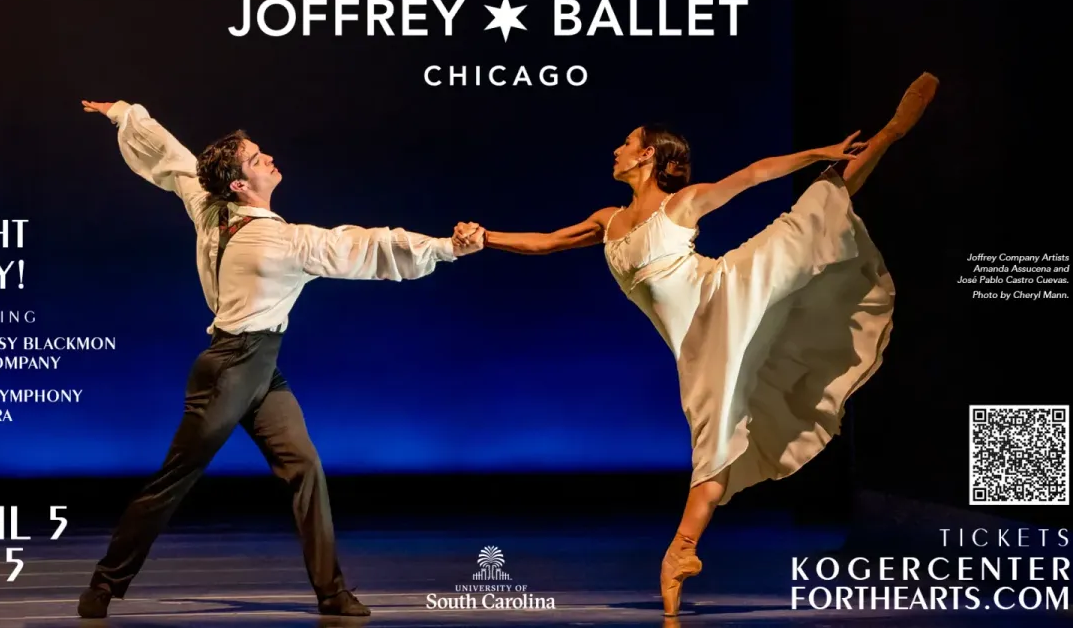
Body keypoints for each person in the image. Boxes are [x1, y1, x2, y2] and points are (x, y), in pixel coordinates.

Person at [461, 73, 938, 615]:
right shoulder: (607, 221)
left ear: (648, 155)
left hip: (726, 291)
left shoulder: (680, 205)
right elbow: (547, 242)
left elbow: (753, 174)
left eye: (626, 142)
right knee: (715, 437)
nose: (617, 150)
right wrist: (486, 238)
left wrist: (818, 154)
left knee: (812, 214)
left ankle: (889, 133)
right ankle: (682, 553)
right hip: (696, 341)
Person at [76, 99, 484, 619]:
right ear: (239, 185)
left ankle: (331, 591)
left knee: (304, 467)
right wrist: (447, 247)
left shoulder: (210, 207)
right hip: (229, 372)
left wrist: (125, 115)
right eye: (255, 159)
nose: (267, 158)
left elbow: (175, 161)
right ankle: (104, 584)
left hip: (259, 369)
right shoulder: (280, 242)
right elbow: (360, 247)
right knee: (176, 478)